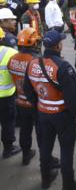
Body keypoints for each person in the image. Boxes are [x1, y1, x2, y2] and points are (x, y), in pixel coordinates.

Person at [23, 30, 76, 190]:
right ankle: (69, 184)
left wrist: (40, 105)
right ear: (58, 45)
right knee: (66, 151)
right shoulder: (63, 66)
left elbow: (27, 89)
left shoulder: (33, 63)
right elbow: (72, 97)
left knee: (45, 147)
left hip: (43, 113)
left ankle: (46, 178)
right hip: (63, 116)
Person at [8, 28, 42, 165]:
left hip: (20, 101)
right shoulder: (36, 61)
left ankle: (26, 154)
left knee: (25, 129)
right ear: (33, 43)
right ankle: (45, 159)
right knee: (41, 132)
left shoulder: (12, 59)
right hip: (35, 103)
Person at [0, 27, 22, 159]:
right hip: (6, 96)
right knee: (7, 123)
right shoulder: (11, 52)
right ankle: (8, 149)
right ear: (2, 38)